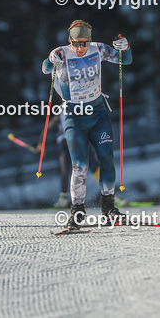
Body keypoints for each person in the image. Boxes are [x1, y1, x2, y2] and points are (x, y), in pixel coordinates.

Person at [42, 19, 131, 228]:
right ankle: (77, 211)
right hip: (74, 115)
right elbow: (46, 68)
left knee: (106, 159)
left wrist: (126, 47)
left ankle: (108, 208)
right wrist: (50, 59)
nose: (81, 48)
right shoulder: (63, 52)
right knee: (79, 165)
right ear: (69, 41)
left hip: (98, 112)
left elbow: (124, 60)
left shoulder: (98, 49)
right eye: (76, 43)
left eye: (84, 43)